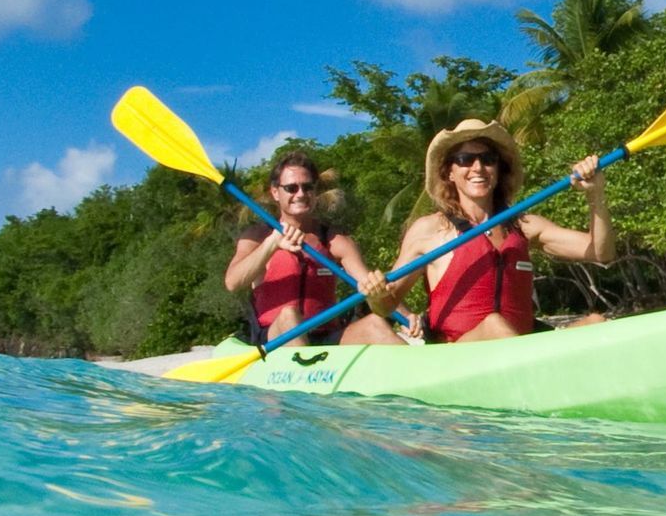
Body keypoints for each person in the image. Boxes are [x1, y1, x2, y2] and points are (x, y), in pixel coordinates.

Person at [362, 119, 613, 342]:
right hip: (458, 352)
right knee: (494, 325)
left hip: (522, 344)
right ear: (449, 172)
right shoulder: (430, 230)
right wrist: (376, 295)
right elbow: (386, 305)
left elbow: (601, 252)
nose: (478, 167)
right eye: (465, 159)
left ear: (498, 169)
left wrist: (596, 194)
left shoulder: (524, 226)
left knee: (596, 322)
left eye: (488, 159)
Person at [224, 150, 396, 347]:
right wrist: (272, 243)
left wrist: (383, 298)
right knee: (290, 316)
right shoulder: (256, 237)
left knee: (375, 324)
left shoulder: (335, 240)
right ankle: (304, 370)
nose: (300, 194)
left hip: (326, 336)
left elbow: (372, 288)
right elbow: (232, 282)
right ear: (275, 192)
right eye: (291, 188)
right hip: (275, 337)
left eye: (307, 187)